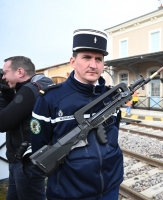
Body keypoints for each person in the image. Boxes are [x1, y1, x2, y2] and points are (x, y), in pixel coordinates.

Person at [30, 29, 123, 200]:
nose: (93, 65)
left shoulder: (113, 97)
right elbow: (39, 148)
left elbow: (113, 137)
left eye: (99, 59)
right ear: (73, 61)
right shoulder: (51, 99)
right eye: (86, 57)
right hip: (69, 192)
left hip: (110, 186)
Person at [0, 56, 53, 200]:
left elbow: (3, 122)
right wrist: (8, 93)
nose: (3, 78)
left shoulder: (29, 91)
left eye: (5, 73)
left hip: (25, 163)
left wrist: (2, 97)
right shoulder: (40, 86)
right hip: (29, 158)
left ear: (20, 72)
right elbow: (17, 115)